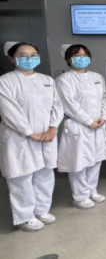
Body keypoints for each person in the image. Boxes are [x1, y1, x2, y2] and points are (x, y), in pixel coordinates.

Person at [0, 42, 63, 232]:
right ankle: (25, 216)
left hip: (46, 135)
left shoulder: (47, 80)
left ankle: (42, 210)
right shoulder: (5, 81)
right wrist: (29, 132)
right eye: (23, 55)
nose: (29, 59)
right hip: (19, 136)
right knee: (22, 176)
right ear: (12, 58)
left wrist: (53, 127)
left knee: (45, 173)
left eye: (33, 55)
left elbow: (57, 105)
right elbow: (9, 110)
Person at [56, 44, 106, 210]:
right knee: (78, 161)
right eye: (77, 55)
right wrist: (88, 121)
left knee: (96, 158)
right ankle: (80, 196)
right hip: (77, 125)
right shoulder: (64, 79)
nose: (82, 58)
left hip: (98, 124)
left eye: (85, 55)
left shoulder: (97, 77)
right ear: (68, 59)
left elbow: (105, 97)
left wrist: (103, 117)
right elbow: (69, 104)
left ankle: (91, 190)